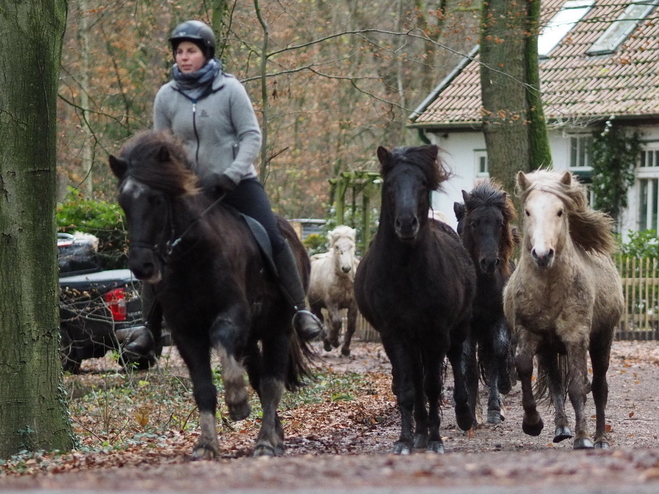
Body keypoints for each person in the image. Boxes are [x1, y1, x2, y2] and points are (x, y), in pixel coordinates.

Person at [152, 19, 322, 342]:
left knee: (272, 238)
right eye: (179, 52)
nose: (184, 57)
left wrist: (232, 173)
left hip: (236, 183)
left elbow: (251, 136)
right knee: (157, 243)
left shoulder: (230, 89)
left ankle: (301, 310)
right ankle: (149, 328)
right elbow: (162, 145)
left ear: (207, 53)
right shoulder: (166, 96)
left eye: (191, 51)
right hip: (190, 190)